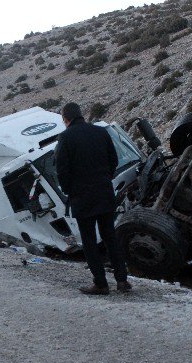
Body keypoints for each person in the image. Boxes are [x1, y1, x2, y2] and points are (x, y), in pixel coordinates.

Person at [55, 102, 131, 295]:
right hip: (104, 192)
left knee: (89, 241)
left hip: (82, 197)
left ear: (66, 119)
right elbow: (113, 159)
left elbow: (62, 170)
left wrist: (69, 190)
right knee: (110, 236)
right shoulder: (100, 132)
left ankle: (100, 284)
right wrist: (105, 179)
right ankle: (122, 281)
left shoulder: (65, 137)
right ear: (81, 114)